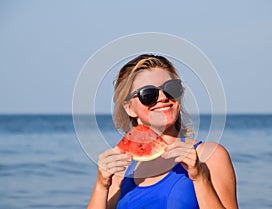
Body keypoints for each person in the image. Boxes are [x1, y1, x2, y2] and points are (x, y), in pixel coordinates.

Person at [87, 54, 239, 209]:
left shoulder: (210, 156)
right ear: (130, 108)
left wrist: (199, 178)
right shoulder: (122, 168)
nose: (162, 97)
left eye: (171, 88)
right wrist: (101, 185)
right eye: (148, 94)